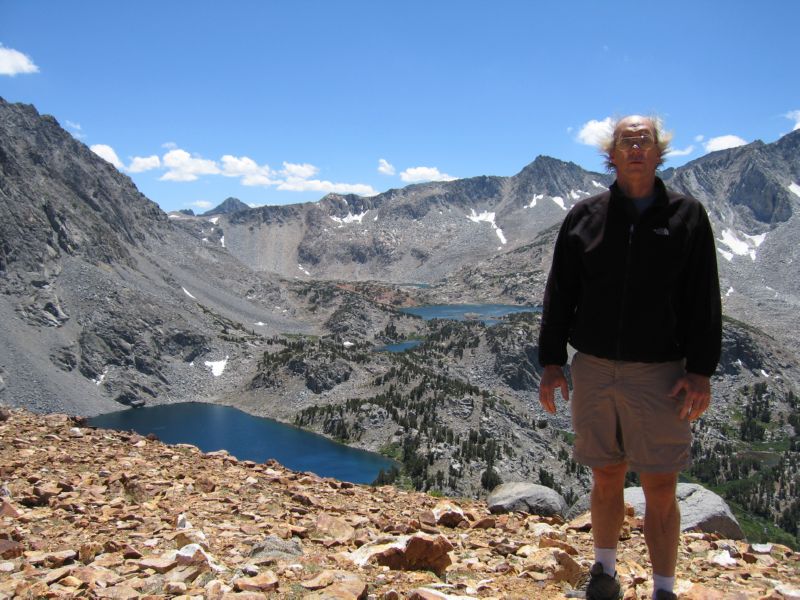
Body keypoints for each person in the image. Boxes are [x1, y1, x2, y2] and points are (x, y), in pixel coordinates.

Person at [537, 115, 721, 600]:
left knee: (660, 484)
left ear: (659, 153)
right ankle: (604, 573)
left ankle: (664, 588)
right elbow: (561, 293)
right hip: (594, 368)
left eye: (645, 142)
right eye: (626, 142)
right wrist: (552, 362)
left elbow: (704, 296)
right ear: (610, 155)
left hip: (660, 372)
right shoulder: (586, 215)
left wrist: (701, 369)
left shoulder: (687, 215)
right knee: (606, 475)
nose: (636, 149)